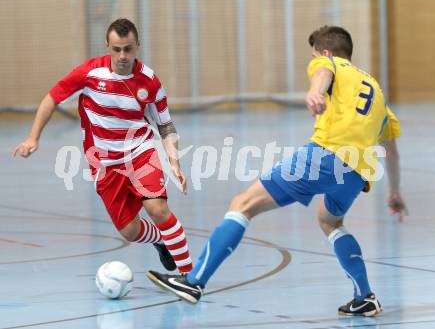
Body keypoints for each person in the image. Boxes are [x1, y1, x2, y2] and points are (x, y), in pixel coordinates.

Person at [146, 26, 408, 316]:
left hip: (326, 154)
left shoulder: (328, 62)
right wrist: (395, 192)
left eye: (315, 55)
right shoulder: (377, 92)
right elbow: (392, 151)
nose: (315, 61)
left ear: (326, 52)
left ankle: (193, 282)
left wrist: (314, 92)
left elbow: (322, 75)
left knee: (243, 204)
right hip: (357, 174)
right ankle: (365, 296)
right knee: (330, 221)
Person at [13, 18, 193, 274]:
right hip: (105, 164)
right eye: (116, 49)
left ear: (137, 47)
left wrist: (174, 162)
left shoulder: (149, 81)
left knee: (157, 208)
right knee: (130, 231)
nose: (122, 55)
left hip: (140, 153)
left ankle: (190, 276)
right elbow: (52, 98)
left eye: (128, 49)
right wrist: (33, 137)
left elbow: (165, 126)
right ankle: (162, 239)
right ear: (107, 46)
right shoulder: (89, 74)